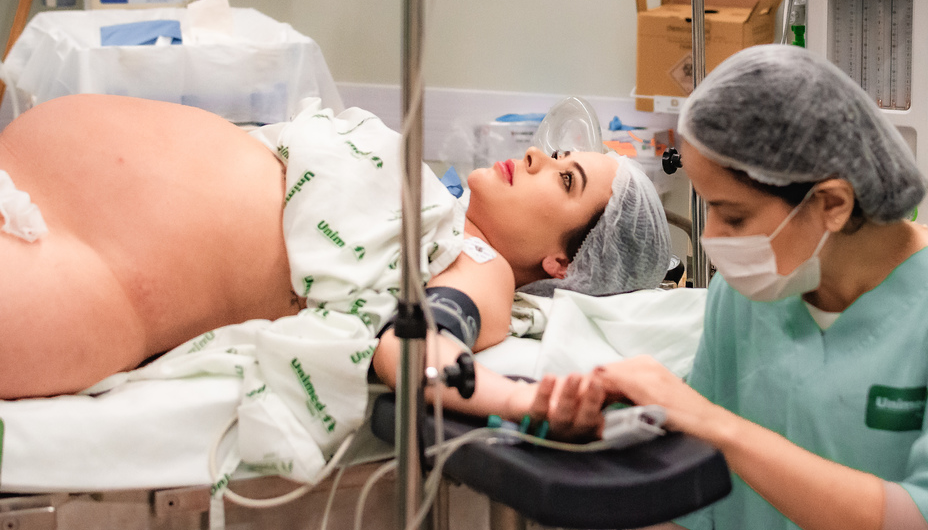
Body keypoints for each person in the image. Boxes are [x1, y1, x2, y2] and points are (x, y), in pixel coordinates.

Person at [595, 45, 928, 530]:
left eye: (733, 216)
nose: (711, 237)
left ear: (831, 202)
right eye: (708, 209)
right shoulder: (749, 294)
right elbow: (694, 503)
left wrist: (715, 426)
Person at [0, 94, 671, 420]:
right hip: (33, 180)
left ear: (562, 263)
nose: (534, 155)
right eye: (558, 154)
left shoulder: (479, 267)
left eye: (565, 179)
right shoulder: (432, 200)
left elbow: (413, 349)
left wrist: (529, 407)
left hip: (83, 271)